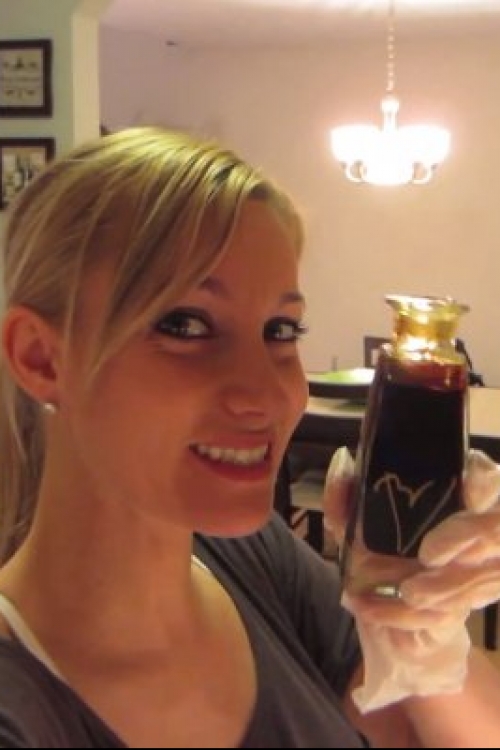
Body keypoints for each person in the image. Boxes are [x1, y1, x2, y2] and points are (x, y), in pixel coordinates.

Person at [0, 126, 499, 748]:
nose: (266, 394)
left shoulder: (251, 557)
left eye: (280, 331)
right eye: (185, 325)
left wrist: (420, 635)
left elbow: (413, 729)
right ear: (41, 358)